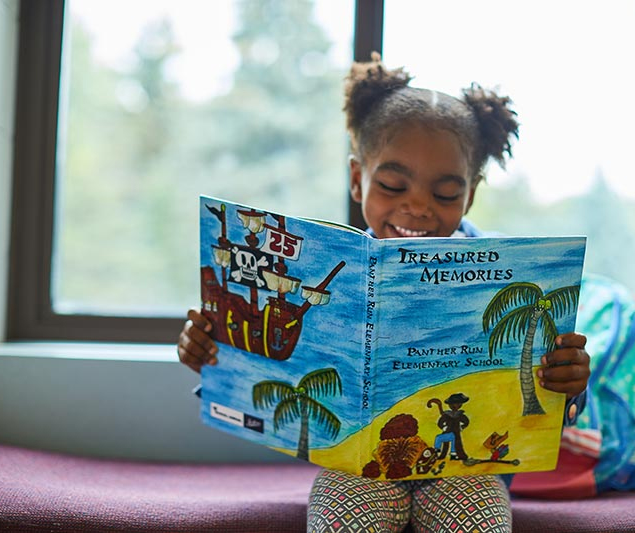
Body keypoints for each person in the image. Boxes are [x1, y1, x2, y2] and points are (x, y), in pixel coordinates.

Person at [178, 53, 591, 533]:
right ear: (358, 179)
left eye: (444, 195)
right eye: (393, 185)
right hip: (357, 472)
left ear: (471, 195)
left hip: (466, 471)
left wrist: (570, 383)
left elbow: (550, 412)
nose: (416, 207)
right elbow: (267, 368)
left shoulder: (512, 283)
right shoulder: (330, 271)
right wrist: (210, 350)